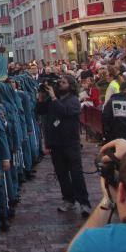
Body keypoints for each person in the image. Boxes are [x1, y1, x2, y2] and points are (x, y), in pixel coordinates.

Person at [35, 76, 91, 216]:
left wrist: (54, 97)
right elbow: (40, 111)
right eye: (59, 82)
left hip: (70, 142)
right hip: (56, 143)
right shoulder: (53, 98)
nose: (60, 84)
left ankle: (84, 202)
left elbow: (65, 112)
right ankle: (68, 200)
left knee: (76, 173)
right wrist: (42, 97)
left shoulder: (73, 100)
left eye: (63, 82)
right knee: (62, 174)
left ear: (71, 85)